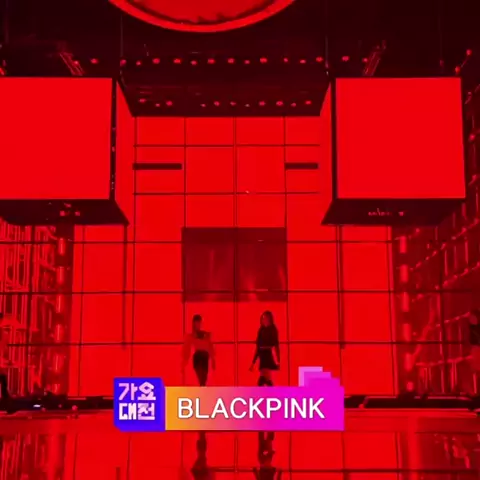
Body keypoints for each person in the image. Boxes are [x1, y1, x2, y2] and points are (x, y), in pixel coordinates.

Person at [183, 315, 215, 386]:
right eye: (196, 323)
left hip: (204, 357)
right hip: (198, 356)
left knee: (203, 377)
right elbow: (187, 349)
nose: (198, 325)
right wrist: (184, 362)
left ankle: (202, 386)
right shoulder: (192, 336)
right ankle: (202, 386)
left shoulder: (206, 335)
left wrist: (213, 359)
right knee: (202, 377)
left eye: (199, 323)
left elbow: (210, 346)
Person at [250, 311, 280, 387]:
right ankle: (268, 390)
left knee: (264, 379)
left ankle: (268, 390)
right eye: (263, 318)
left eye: (265, 318)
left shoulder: (273, 329)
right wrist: (253, 362)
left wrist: (278, 361)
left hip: (269, 354)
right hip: (262, 356)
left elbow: (276, 345)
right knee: (264, 379)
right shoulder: (261, 330)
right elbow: (258, 347)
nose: (264, 320)